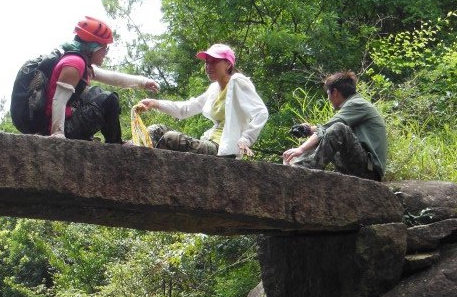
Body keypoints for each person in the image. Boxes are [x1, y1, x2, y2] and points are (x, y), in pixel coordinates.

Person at [135, 43, 268, 158]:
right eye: (207, 62)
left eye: (214, 61)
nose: (208, 66)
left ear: (228, 64)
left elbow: (261, 112)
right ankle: (133, 155)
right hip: (208, 141)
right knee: (155, 130)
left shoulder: (237, 82)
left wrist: (246, 139)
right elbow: (185, 109)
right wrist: (154, 103)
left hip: (222, 149)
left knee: (171, 138)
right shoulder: (214, 89)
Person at [47, 16, 160, 142]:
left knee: (97, 92)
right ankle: (115, 143)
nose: (105, 54)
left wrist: (143, 82)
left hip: (66, 123)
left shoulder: (82, 63)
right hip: (62, 128)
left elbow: (113, 78)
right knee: (110, 99)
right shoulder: (74, 63)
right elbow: (59, 100)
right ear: (93, 48)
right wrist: (58, 134)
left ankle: (115, 142)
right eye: (105, 49)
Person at [282, 71, 387, 180]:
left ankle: (304, 168)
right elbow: (325, 131)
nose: (328, 98)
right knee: (324, 135)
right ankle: (296, 164)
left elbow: (328, 129)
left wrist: (301, 149)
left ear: (335, 92)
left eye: (328, 94)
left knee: (338, 128)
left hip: (370, 171)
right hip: (363, 166)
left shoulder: (357, 104)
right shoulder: (355, 104)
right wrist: (308, 130)